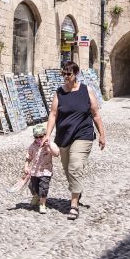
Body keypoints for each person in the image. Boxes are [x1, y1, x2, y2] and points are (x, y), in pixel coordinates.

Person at [45, 60, 107, 221]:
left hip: (83, 134)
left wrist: (102, 134)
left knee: (75, 167)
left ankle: (74, 205)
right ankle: (77, 190)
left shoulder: (87, 91)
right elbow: (53, 114)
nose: (66, 76)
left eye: (69, 74)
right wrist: (47, 135)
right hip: (64, 136)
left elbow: (95, 114)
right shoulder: (59, 92)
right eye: (63, 73)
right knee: (68, 170)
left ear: (76, 74)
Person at [25, 123, 60, 214]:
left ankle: (42, 204)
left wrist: (49, 146)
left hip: (46, 171)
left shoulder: (50, 144)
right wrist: (26, 166)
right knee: (32, 186)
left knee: (43, 188)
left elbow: (56, 154)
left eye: (41, 136)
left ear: (45, 135)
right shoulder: (32, 146)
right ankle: (36, 196)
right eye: (36, 137)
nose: (39, 139)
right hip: (34, 172)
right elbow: (28, 157)